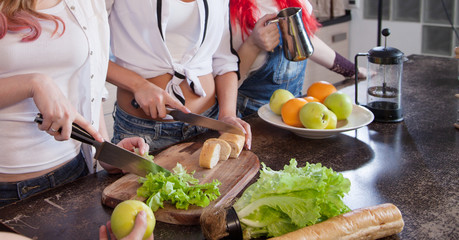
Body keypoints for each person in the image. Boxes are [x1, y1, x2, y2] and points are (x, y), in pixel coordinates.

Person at [0, 0, 148, 207]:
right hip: (5, 191)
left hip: (73, 175)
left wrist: (103, 149)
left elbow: (90, 85)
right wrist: (33, 83)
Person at [104, 0, 252, 152]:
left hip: (209, 125)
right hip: (141, 133)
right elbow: (90, 55)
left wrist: (227, 115)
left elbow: (224, 60)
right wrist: (138, 85)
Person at [230, 0, 367, 117]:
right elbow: (227, 83)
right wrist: (253, 44)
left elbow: (307, 40)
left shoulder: (293, 2)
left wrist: (351, 70)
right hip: (252, 116)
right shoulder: (230, 14)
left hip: (296, 108)